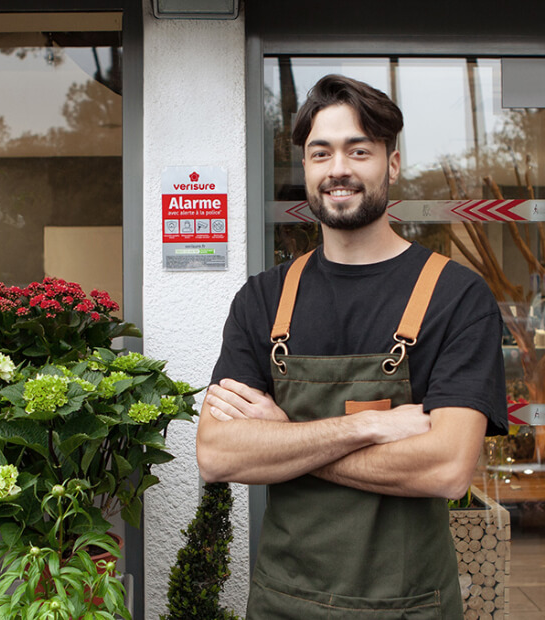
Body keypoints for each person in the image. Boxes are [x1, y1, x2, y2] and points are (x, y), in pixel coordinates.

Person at [195, 74, 507, 619]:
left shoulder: (456, 297)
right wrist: (367, 426)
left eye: (358, 150)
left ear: (391, 163)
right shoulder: (263, 299)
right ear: (308, 169)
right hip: (283, 603)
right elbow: (218, 453)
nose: (338, 168)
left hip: (411, 607)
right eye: (321, 153)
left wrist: (284, 438)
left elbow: (447, 468)